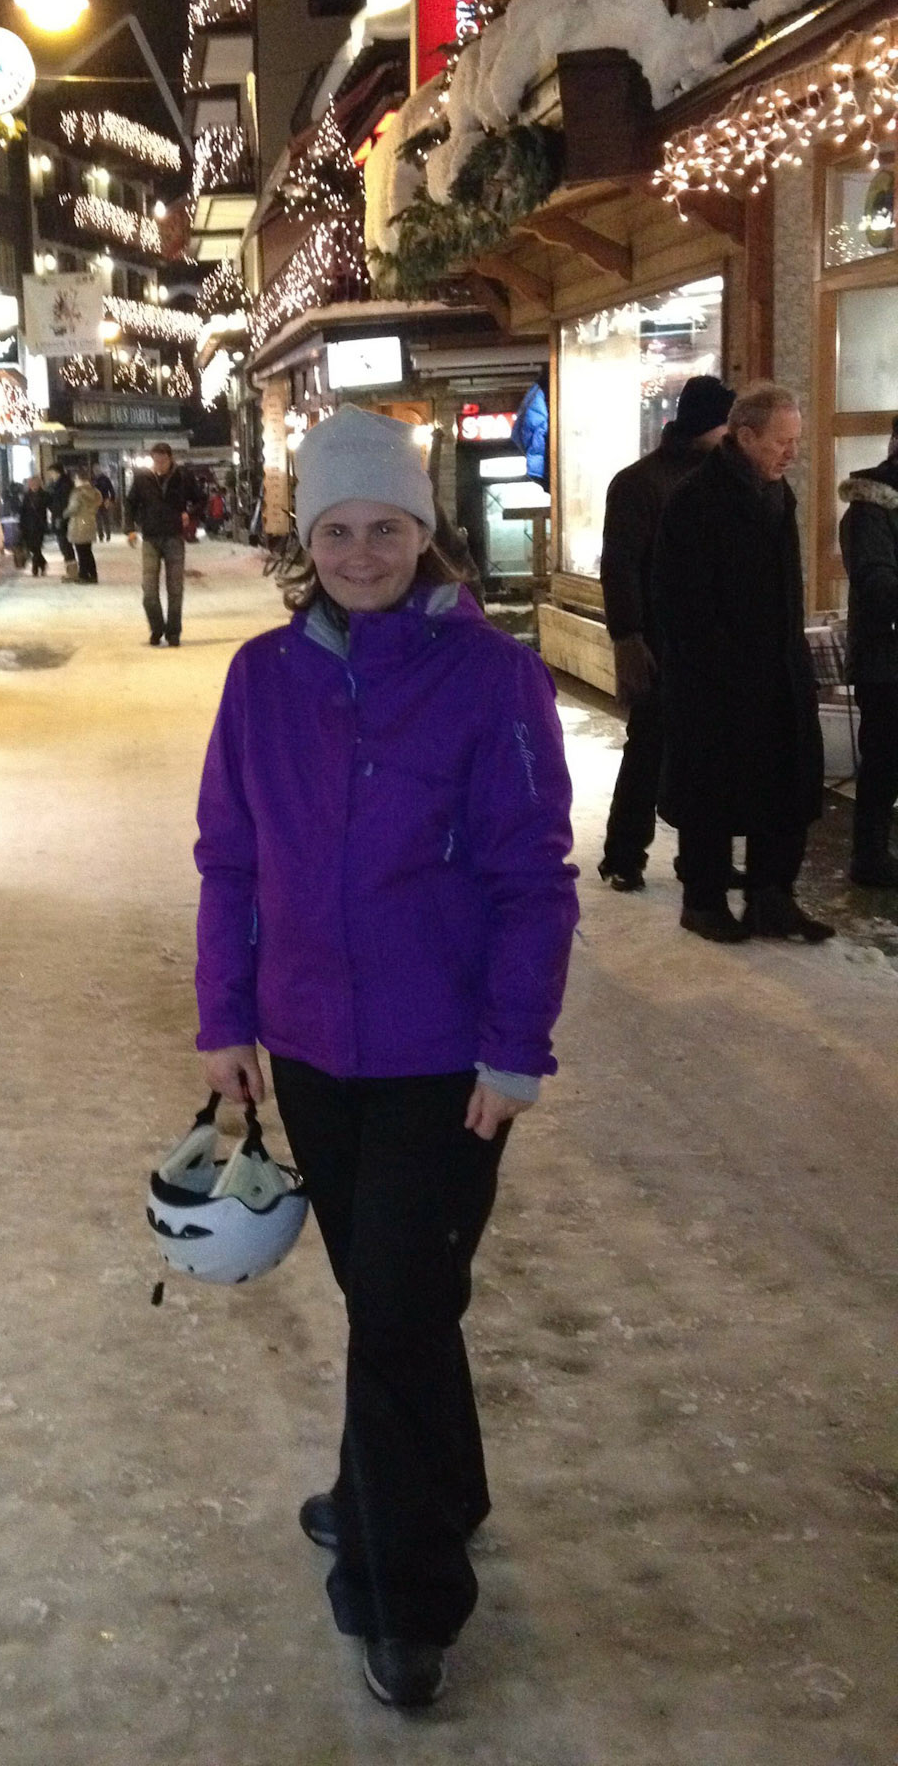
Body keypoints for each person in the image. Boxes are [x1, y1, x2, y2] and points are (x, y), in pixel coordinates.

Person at [193, 405, 578, 1711]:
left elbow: (533, 878)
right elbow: (231, 859)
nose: (361, 552)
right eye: (337, 530)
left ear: (426, 532)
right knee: (392, 1299)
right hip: (312, 1046)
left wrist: (516, 1048)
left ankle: (398, 1589)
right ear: (305, 541)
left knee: (399, 1308)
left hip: (445, 1058)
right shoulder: (263, 679)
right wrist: (226, 1015)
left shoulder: (492, 678)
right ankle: (431, 1484)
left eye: (386, 528)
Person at [653, 381, 832, 944]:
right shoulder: (697, 501)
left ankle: (771, 898)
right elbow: (681, 603)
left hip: (778, 672)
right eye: (782, 441)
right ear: (746, 436)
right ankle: (703, 902)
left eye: (796, 441)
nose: (792, 453)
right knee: (713, 790)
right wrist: (717, 667)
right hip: (717, 682)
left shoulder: (776, 494)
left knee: (784, 788)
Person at [597, 374, 735, 891]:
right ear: (710, 425)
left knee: (711, 753)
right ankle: (623, 854)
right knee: (650, 749)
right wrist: (628, 637)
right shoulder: (641, 482)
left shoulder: (725, 477)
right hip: (659, 641)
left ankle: (701, 857)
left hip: (712, 641)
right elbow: (621, 564)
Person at [838, 416, 898, 886]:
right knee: (884, 763)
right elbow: (876, 583)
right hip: (886, 662)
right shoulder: (870, 506)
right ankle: (870, 859)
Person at [124, 442, 195, 646]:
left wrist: (189, 513)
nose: (159, 464)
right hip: (151, 538)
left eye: (163, 460)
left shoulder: (182, 477)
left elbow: (200, 498)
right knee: (149, 590)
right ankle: (157, 628)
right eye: (156, 460)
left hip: (174, 537)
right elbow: (130, 503)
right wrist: (130, 529)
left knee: (175, 589)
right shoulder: (143, 478)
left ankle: (173, 633)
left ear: (170, 459)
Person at [63, 470, 102, 584]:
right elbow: (98, 503)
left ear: (79, 479)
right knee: (88, 551)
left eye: (75, 478)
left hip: (78, 523)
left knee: (81, 551)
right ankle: (93, 575)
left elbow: (73, 508)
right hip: (90, 521)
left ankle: (83, 575)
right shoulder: (95, 492)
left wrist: (64, 514)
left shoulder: (77, 492)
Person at [17, 475, 51, 577]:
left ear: (39, 484)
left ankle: (35, 568)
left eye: (36, 483)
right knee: (32, 547)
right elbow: (22, 511)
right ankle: (42, 563)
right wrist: (21, 525)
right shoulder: (26, 496)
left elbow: (49, 507)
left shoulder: (45, 495)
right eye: (32, 484)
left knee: (37, 546)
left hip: (39, 525)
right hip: (28, 525)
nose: (34, 485)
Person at [46, 464, 75, 571]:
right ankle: (70, 568)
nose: (50, 476)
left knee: (64, 544)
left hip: (61, 517)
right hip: (60, 516)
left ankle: (72, 569)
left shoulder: (63, 485)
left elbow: (61, 502)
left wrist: (59, 515)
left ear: (57, 472)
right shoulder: (59, 484)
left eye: (51, 473)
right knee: (64, 544)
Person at [93, 468, 116, 543]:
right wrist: (111, 499)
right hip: (103, 500)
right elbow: (111, 490)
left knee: (100, 519)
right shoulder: (105, 479)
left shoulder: (95, 480)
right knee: (104, 519)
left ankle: (102, 536)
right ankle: (106, 535)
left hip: (99, 501)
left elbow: (111, 490)